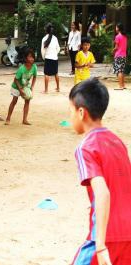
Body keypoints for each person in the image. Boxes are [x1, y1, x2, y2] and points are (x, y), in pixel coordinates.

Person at [69, 78, 131, 265]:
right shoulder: (116, 141)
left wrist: (101, 245)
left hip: (106, 235)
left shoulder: (86, 148)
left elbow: (103, 193)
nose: (70, 117)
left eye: (70, 111)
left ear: (81, 112)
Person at [5, 48, 37, 126]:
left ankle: (24, 120)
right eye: (29, 57)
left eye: (32, 57)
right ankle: (8, 118)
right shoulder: (21, 69)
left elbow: (35, 77)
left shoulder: (34, 67)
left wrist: (32, 86)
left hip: (25, 85)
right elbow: (16, 79)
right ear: (26, 58)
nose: (31, 59)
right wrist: (20, 90)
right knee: (14, 101)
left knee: (27, 100)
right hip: (16, 86)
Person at [41, 23, 60, 93]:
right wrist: (55, 54)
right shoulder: (55, 38)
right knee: (56, 73)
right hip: (55, 58)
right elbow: (58, 48)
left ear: (46, 30)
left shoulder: (44, 39)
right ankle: (58, 88)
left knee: (46, 74)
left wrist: (44, 57)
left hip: (48, 58)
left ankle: (46, 90)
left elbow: (42, 50)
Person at [113, 23, 128, 90]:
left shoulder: (117, 36)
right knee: (122, 70)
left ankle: (120, 86)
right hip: (124, 55)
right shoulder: (125, 36)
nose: (115, 29)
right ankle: (123, 85)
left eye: (116, 27)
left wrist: (112, 50)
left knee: (119, 71)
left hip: (118, 55)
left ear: (118, 28)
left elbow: (116, 47)